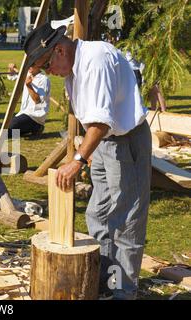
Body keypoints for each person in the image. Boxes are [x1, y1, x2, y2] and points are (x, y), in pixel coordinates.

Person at [23, 23, 151, 300]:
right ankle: (104, 275)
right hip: (105, 141)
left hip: (126, 140)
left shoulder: (96, 60)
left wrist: (78, 159)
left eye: (46, 65)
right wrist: (88, 149)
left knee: (125, 218)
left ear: (58, 50)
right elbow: (91, 115)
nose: (49, 73)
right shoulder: (73, 67)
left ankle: (123, 290)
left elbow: (102, 121)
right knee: (99, 213)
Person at [8, 66, 50, 137]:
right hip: (24, 113)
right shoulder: (27, 74)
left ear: (39, 65)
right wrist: (11, 69)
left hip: (35, 116)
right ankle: (32, 129)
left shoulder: (43, 80)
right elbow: (12, 77)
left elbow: (38, 101)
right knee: (7, 128)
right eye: (29, 63)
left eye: (33, 64)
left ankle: (37, 126)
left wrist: (28, 86)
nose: (30, 66)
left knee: (8, 130)